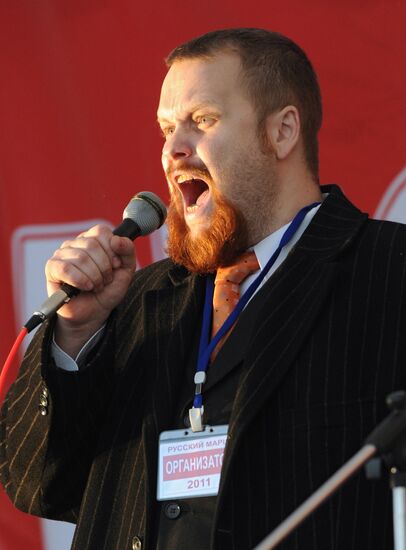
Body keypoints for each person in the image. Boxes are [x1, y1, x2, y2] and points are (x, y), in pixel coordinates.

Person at [1, 28, 405, 550]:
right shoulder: (135, 300)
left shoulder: (388, 269)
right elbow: (40, 486)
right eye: (166, 128)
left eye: (203, 121)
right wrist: (75, 335)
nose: (172, 149)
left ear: (282, 133)